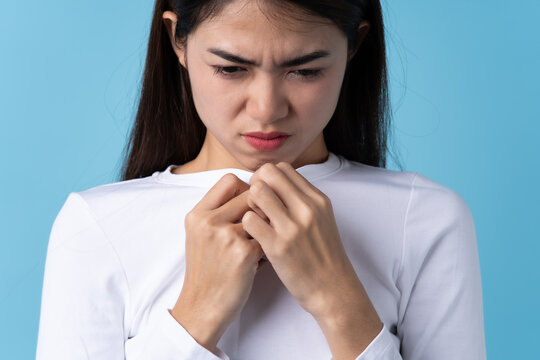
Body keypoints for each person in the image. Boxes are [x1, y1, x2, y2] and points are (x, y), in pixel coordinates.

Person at [36, 0, 486, 359]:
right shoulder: (95, 225)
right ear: (178, 40)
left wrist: (337, 300)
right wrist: (197, 314)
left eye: (306, 70)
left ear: (353, 45)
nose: (267, 109)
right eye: (231, 68)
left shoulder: (425, 218)